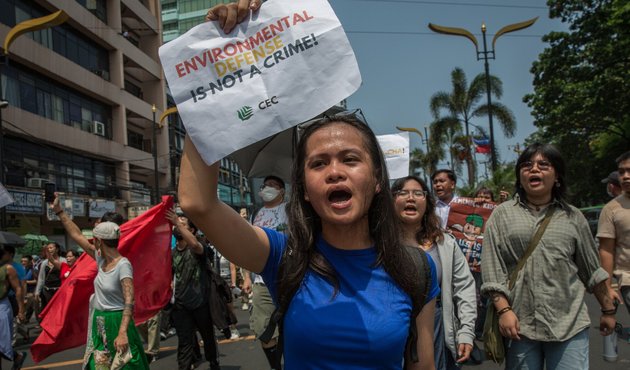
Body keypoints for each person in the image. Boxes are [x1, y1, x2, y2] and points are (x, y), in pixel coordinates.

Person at [179, 110, 440, 369]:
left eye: (350, 159)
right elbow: (198, 203)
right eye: (318, 164)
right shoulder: (282, 256)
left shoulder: (415, 268)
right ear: (304, 190)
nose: (334, 172)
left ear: (376, 181)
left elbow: (424, 365)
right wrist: (209, 100)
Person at [481, 143, 616, 369]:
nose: (534, 169)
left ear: (557, 176)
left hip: (569, 324)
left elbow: (591, 270)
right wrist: (504, 310)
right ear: (519, 175)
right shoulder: (501, 215)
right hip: (519, 326)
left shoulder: (573, 217)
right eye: (527, 165)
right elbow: (492, 268)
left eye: (543, 165)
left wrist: (608, 310)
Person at [52, 195, 149, 369]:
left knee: (125, 366)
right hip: (100, 321)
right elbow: (76, 235)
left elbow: (129, 301)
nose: (92, 242)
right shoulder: (100, 258)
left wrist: (122, 332)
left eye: (94, 239)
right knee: (99, 365)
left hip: (117, 321)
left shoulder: (123, 265)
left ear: (100, 242)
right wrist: (60, 212)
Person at [393, 176, 476, 369]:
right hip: (393, 326)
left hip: (438, 325)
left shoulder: (445, 243)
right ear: (391, 201)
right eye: (403, 193)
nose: (410, 198)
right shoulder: (379, 244)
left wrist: (466, 331)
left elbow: (464, 287)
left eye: (418, 193)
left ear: (427, 202)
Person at [241, 175, 287, 370]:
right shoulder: (256, 214)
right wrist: (246, 277)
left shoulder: (290, 209)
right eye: (265, 185)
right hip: (261, 282)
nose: (267, 188)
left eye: (272, 185)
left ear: (282, 191)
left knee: (293, 327)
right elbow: (248, 248)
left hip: (288, 278)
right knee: (263, 330)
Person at [166, 209, 219, 370]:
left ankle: (213, 363)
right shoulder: (172, 253)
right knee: (184, 341)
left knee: (207, 337)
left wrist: (176, 222)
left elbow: (195, 244)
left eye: (182, 225)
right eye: (176, 225)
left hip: (200, 303)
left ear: (192, 231)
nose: (177, 226)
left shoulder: (198, 247)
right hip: (181, 305)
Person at [598, 152, 630, 316]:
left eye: (629, 171)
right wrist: (607, 288)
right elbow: (606, 250)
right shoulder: (611, 209)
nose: (625, 176)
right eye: (621, 172)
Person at [0, 245, 26, 370]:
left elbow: (18, 288)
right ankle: (17, 357)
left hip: (2, 306)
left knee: (2, 343)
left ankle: (17, 357)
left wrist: (21, 310)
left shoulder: (8, 269)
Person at [34, 242, 65, 312]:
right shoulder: (44, 263)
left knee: (60, 310)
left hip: (60, 290)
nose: (49, 250)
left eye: (51, 248)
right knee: (50, 310)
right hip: (47, 291)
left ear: (57, 249)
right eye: (47, 248)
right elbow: (41, 278)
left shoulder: (64, 261)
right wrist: (37, 292)